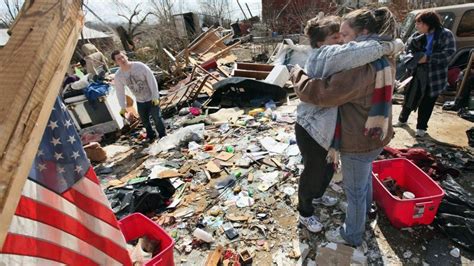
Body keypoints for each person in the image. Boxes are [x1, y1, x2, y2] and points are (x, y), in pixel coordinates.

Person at [292, 8, 397, 246]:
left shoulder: (360, 68)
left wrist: (297, 75)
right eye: (336, 36)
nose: (343, 43)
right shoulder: (386, 58)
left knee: (355, 192)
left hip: (359, 139)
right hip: (377, 134)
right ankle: (365, 212)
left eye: (346, 34)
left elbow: (320, 93)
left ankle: (352, 234)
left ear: (364, 34)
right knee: (364, 178)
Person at [395, 10, 456, 137]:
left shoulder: (445, 34)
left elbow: (449, 53)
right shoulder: (416, 36)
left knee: (427, 101)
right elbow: (406, 51)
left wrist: (428, 58)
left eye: (420, 23)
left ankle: (421, 128)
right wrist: (412, 58)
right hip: (416, 73)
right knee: (410, 97)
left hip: (435, 75)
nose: (417, 26)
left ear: (429, 23)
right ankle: (402, 120)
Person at [111, 50, 166, 142]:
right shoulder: (118, 76)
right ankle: (151, 137)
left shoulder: (140, 66)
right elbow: (120, 92)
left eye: (122, 57)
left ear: (126, 57)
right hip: (140, 100)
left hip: (151, 98)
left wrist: (155, 96)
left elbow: (152, 81)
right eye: (118, 59)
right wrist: (123, 107)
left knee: (157, 118)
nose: (122, 59)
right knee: (145, 121)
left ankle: (163, 136)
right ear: (116, 62)